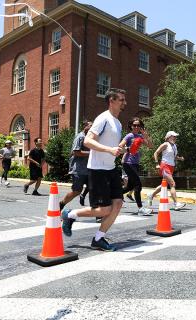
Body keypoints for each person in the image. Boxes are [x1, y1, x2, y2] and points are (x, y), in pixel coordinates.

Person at [61, 88, 127, 252]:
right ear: (111, 100)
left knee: (117, 204)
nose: (124, 103)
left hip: (111, 169)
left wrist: (119, 149)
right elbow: (88, 142)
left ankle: (98, 239)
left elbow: (111, 146)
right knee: (104, 210)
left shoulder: (117, 122)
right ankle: (69, 214)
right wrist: (109, 150)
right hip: (98, 170)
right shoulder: (102, 119)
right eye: (121, 100)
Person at [119, 117, 153, 216]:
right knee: (138, 185)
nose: (136, 127)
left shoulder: (140, 137)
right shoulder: (129, 136)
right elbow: (120, 146)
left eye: (138, 125)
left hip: (135, 164)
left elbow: (150, 146)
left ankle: (113, 194)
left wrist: (146, 136)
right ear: (131, 126)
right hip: (128, 163)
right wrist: (129, 149)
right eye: (134, 125)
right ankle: (140, 208)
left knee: (129, 186)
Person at [147, 131, 186, 211]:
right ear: (168, 137)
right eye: (173, 136)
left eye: (175, 137)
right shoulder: (165, 144)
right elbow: (156, 153)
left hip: (171, 167)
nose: (175, 138)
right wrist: (156, 164)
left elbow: (174, 157)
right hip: (164, 166)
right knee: (172, 184)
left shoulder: (174, 146)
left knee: (164, 185)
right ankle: (176, 204)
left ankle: (151, 195)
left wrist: (179, 158)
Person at [59, 120, 92, 211]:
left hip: (89, 169)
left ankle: (97, 213)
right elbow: (76, 152)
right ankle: (61, 204)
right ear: (85, 127)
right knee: (76, 191)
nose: (93, 127)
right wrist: (91, 153)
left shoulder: (90, 138)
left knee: (94, 189)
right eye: (90, 125)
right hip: (78, 169)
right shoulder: (80, 137)